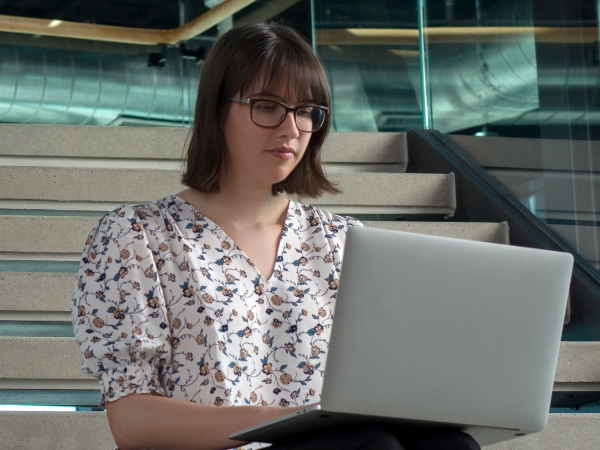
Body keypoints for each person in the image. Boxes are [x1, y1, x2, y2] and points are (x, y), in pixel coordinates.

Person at [71, 22, 480, 450]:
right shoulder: (137, 236)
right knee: (368, 445)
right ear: (216, 108)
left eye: (306, 111)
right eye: (268, 106)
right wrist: (285, 422)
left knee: (452, 445)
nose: (292, 129)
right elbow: (133, 423)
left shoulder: (345, 242)